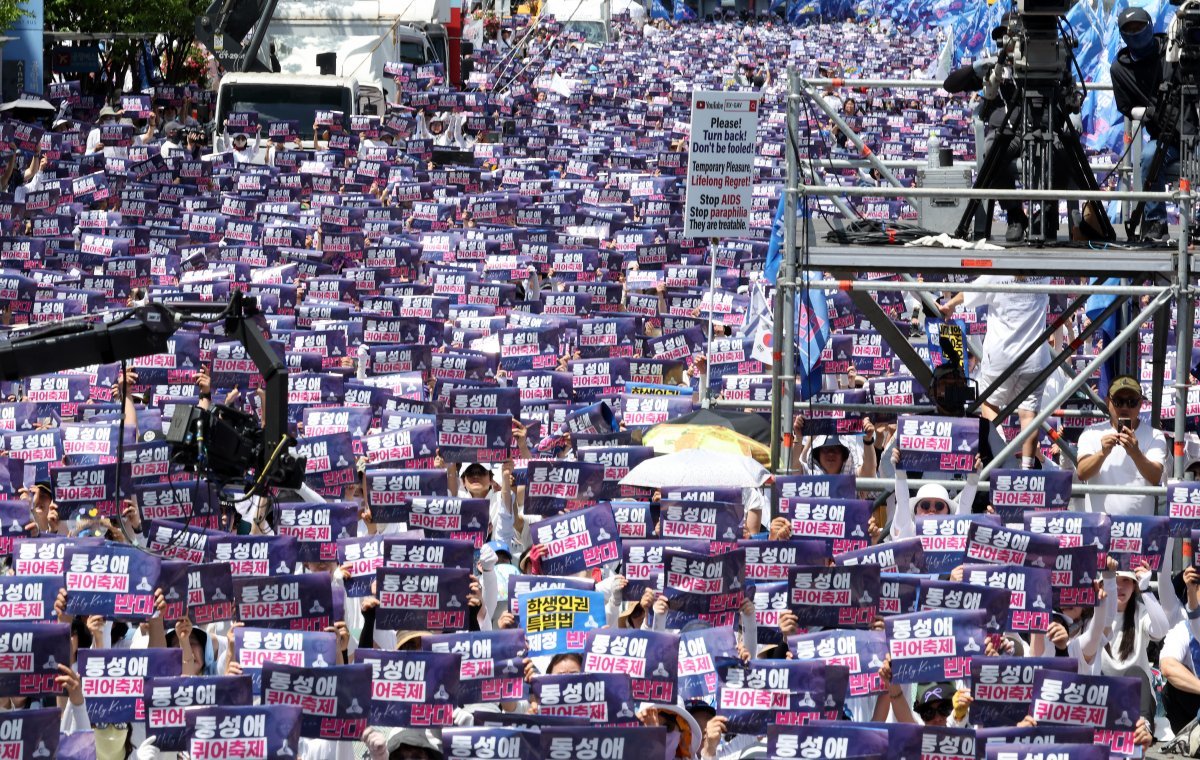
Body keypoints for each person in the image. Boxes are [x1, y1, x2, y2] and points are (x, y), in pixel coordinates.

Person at [939, 276, 1051, 469]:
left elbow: (969, 292)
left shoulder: (998, 272)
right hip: (1034, 357)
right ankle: (1026, 470)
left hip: (1001, 356)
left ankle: (999, 462)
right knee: (1029, 415)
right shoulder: (1042, 272)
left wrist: (949, 305)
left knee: (989, 404)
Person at [1110, 6, 1174, 244]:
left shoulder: (1172, 51)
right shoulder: (1119, 69)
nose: (1136, 33)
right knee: (1147, 157)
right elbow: (1125, 107)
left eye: (1140, 27)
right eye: (1130, 29)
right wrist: (1148, 113)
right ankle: (1156, 222)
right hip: (1163, 137)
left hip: (1191, 130)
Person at [1076, 375, 1166, 517]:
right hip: (1100, 528)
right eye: (1118, 401)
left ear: (1140, 404)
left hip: (1138, 528)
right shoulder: (1092, 432)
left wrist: (1135, 453)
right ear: (1108, 402)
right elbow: (1082, 473)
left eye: (1131, 402)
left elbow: (1155, 477)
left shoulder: (1155, 435)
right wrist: (1102, 453)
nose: (1125, 407)